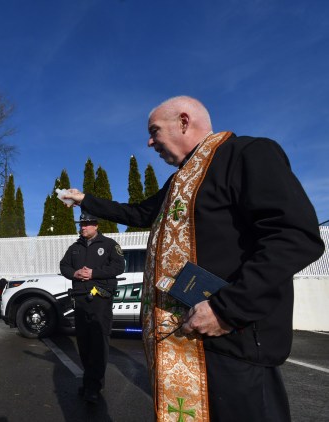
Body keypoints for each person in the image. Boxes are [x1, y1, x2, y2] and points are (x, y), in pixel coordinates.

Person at [61, 96, 325, 421]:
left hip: (231, 339)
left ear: (184, 121)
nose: (149, 141)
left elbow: (295, 236)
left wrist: (226, 308)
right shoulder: (178, 182)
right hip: (187, 339)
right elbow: (140, 212)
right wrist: (85, 199)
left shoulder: (246, 153)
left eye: (154, 130)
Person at [59, 212, 126, 404]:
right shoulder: (74, 248)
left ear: (96, 225)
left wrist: (94, 273)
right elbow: (64, 266)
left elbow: (119, 267)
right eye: (81, 224)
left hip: (100, 301)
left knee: (98, 344)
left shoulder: (109, 245)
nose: (83, 227)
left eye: (87, 224)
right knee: (84, 344)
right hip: (80, 300)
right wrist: (76, 273)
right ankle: (90, 381)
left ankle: (93, 386)